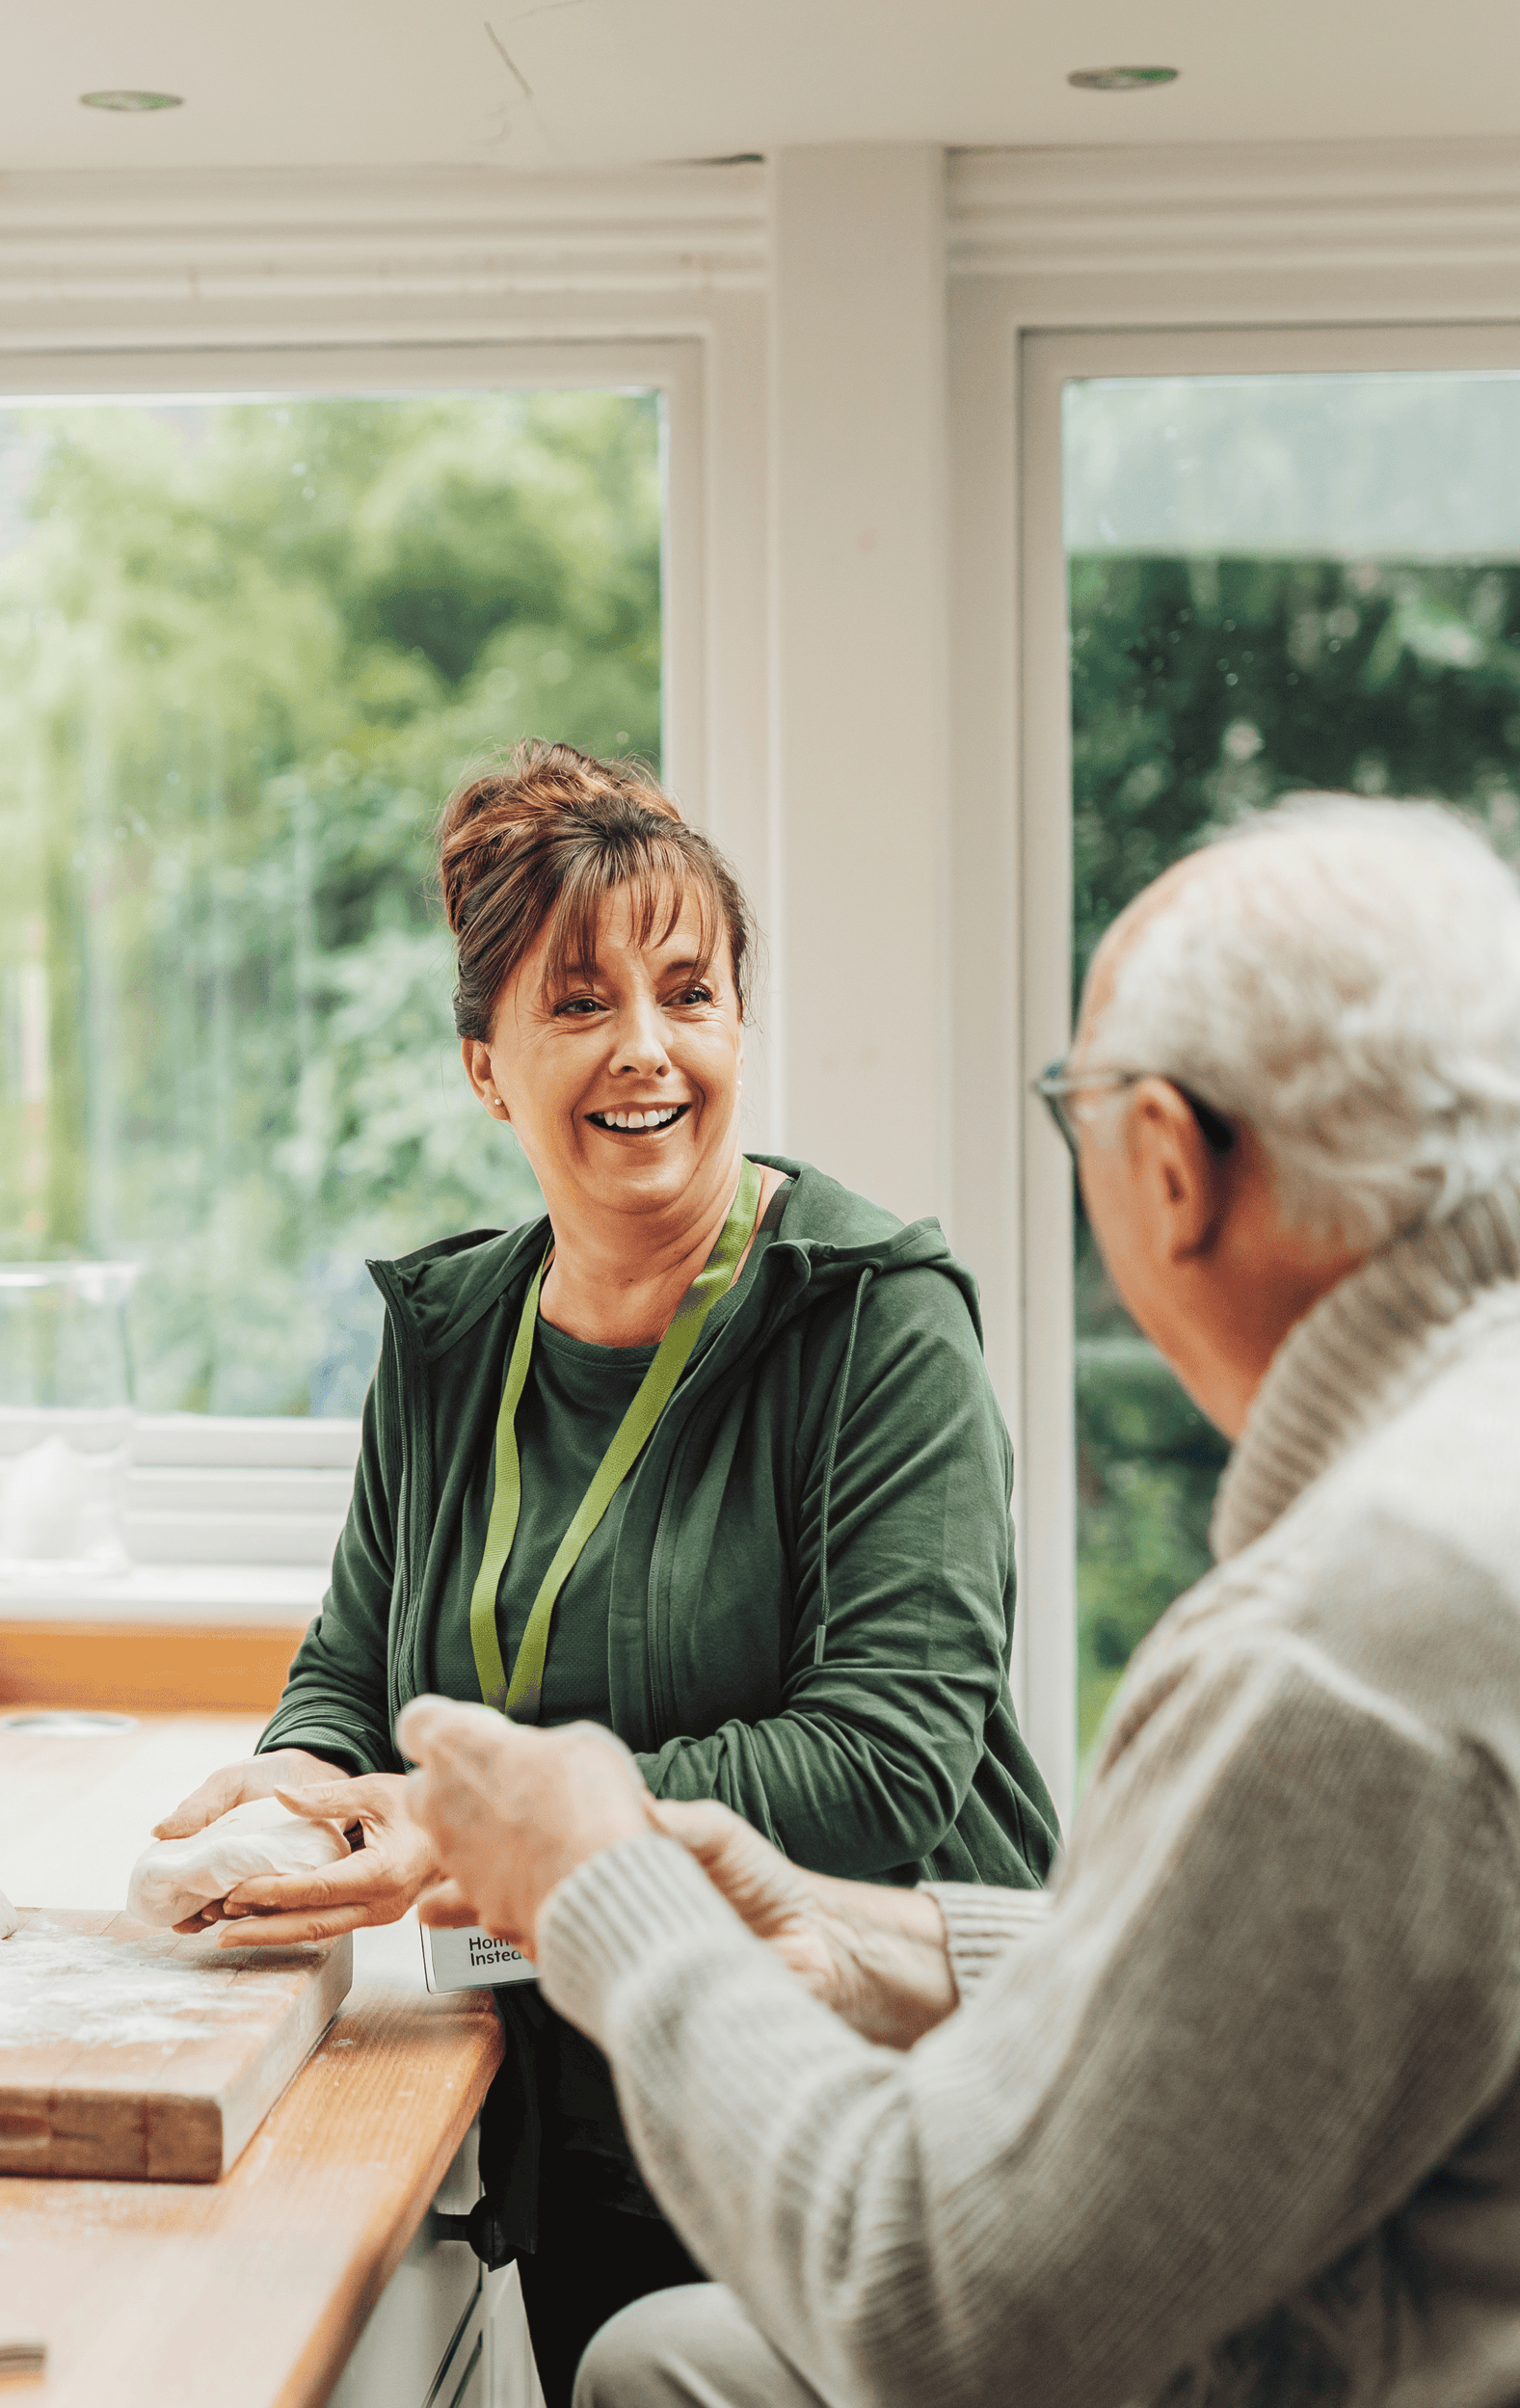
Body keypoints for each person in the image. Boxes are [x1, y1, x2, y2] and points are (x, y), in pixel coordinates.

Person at [392, 793, 1520, 2408]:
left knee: (659, 2370)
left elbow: (933, 2304)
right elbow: (1349, 1968)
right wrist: (888, 1942)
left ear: (1164, 1161)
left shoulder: (1366, 1642)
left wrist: (609, 1894)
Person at [149, 742, 1055, 2400]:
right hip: (576, 2113)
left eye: (689, 993)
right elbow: (360, 1663)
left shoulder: (874, 1318)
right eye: (579, 1004)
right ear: (487, 1064)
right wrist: (298, 1782)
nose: (648, 1050)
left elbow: (882, 1771)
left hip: (871, 2102)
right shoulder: (449, 1334)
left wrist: (492, 1838)